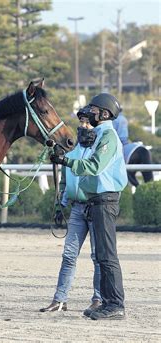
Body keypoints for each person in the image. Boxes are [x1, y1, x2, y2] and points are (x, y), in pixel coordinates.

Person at [50, 93, 128, 320]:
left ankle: (115, 305)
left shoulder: (109, 137)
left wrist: (66, 161)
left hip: (105, 200)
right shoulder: (97, 135)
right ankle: (106, 302)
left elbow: (94, 166)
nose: (89, 113)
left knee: (107, 255)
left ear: (104, 114)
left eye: (93, 110)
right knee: (102, 255)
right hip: (95, 201)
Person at [40, 114, 102, 315]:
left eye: (87, 123)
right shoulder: (73, 153)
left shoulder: (99, 153)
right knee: (68, 255)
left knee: (97, 256)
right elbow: (65, 183)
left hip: (96, 207)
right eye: (81, 123)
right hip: (76, 209)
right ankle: (60, 299)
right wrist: (60, 206)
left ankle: (98, 299)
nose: (83, 126)